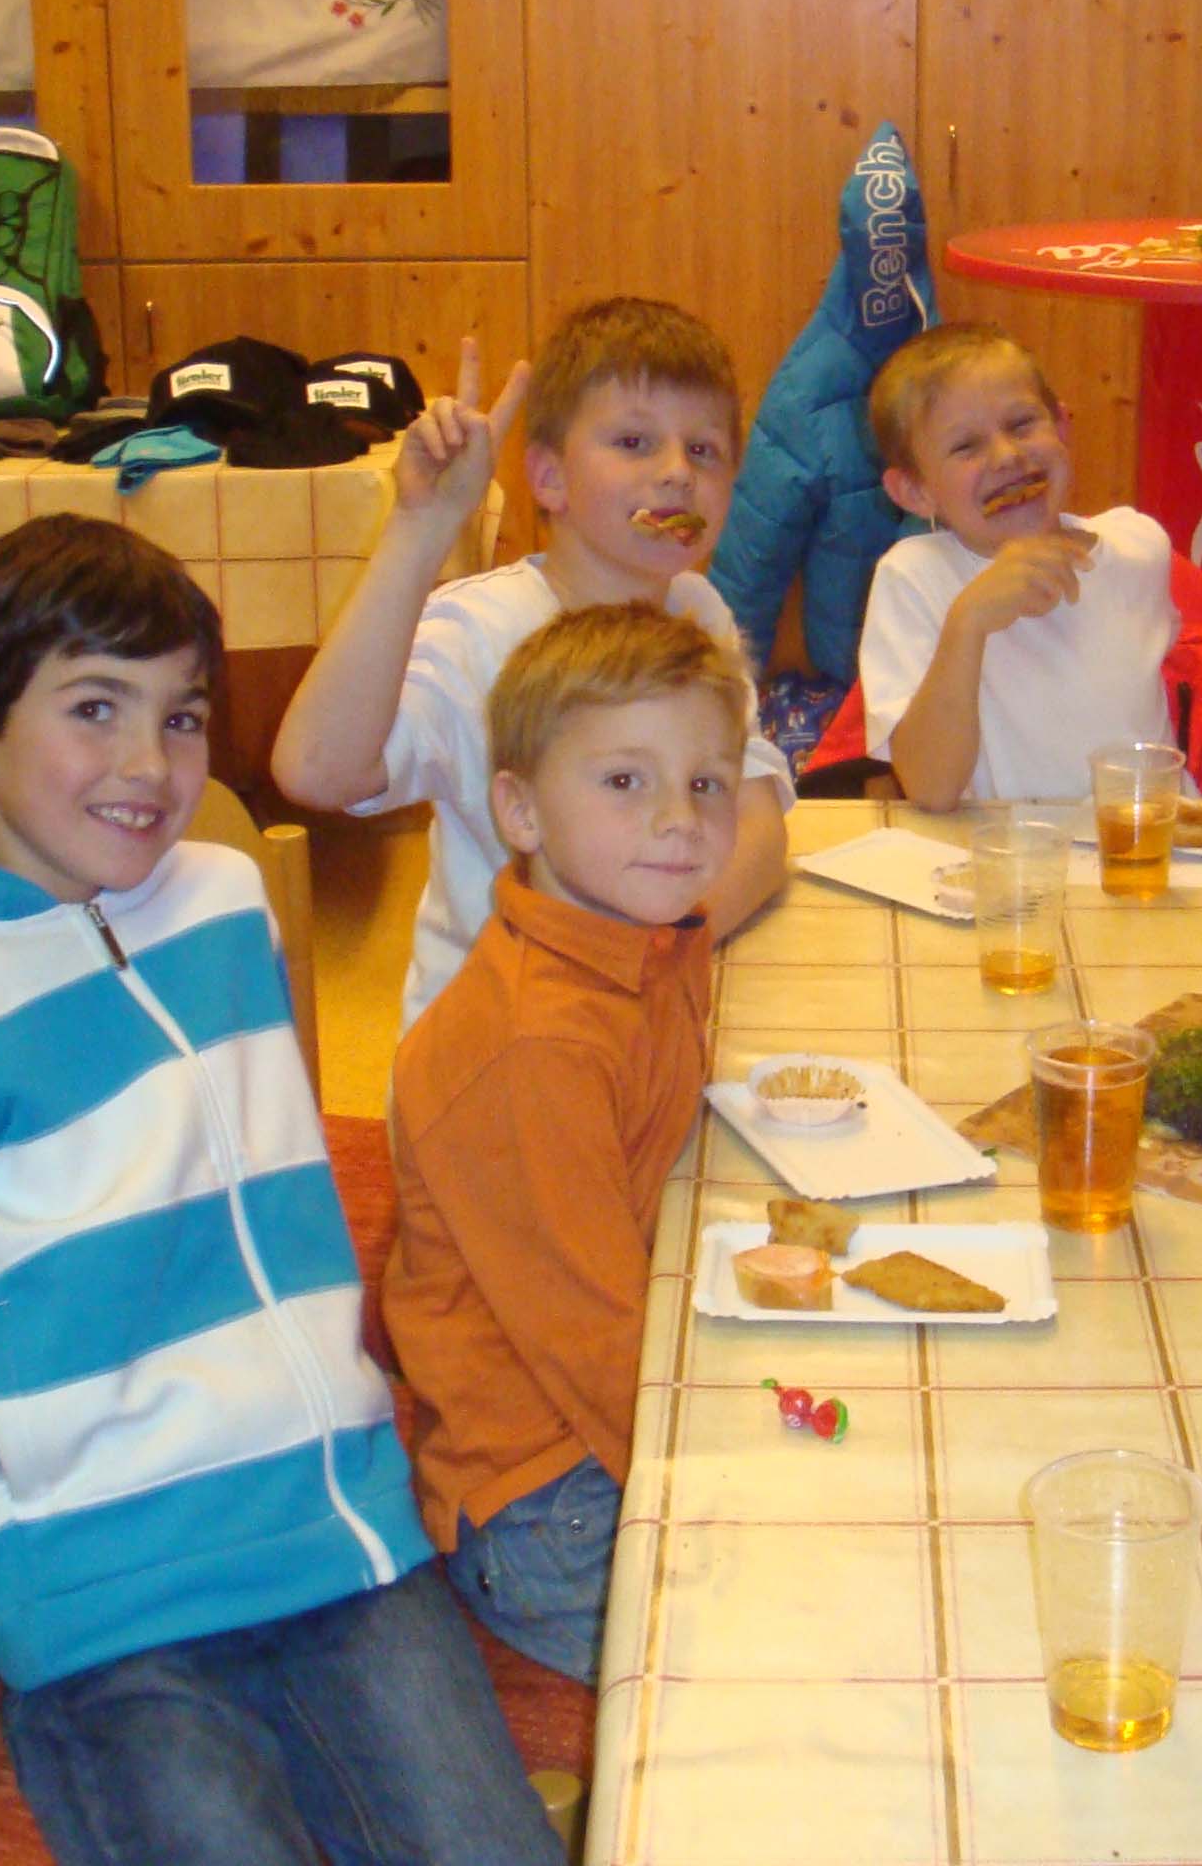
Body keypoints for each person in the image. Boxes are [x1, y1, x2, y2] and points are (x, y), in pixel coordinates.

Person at [0, 515, 558, 1866]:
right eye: (93, 709)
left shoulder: (225, 904)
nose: (149, 766)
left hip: (333, 1539)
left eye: (181, 717)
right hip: (99, 1608)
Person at [385, 604, 745, 1681]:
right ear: (521, 811)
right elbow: (594, 1341)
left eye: (708, 782)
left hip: (608, 1400)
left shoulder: (643, 938)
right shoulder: (536, 1045)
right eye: (625, 781)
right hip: (548, 1494)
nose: (679, 819)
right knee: (769, 1662)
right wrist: (733, 1485)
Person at [270, 299, 793, 1025]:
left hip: (636, 1015)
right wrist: (422, 527)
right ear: (549, 479)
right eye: (635, 442)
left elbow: (759, 825)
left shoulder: (698, 611)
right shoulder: (481, 629)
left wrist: (655, 958)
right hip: (494, 1046)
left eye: (703, 451)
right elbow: (316, 771)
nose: (678, 473)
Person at [856, 321, 1177, 806]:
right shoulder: (914, 577)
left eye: (1022, 424)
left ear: (1062, 427)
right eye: (966, 447)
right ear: (915, 491)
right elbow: (930, 789)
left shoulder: (1140, 547)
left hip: (1142, 840)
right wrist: (967, 623)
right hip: (1006, 848)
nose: (1006, 455)